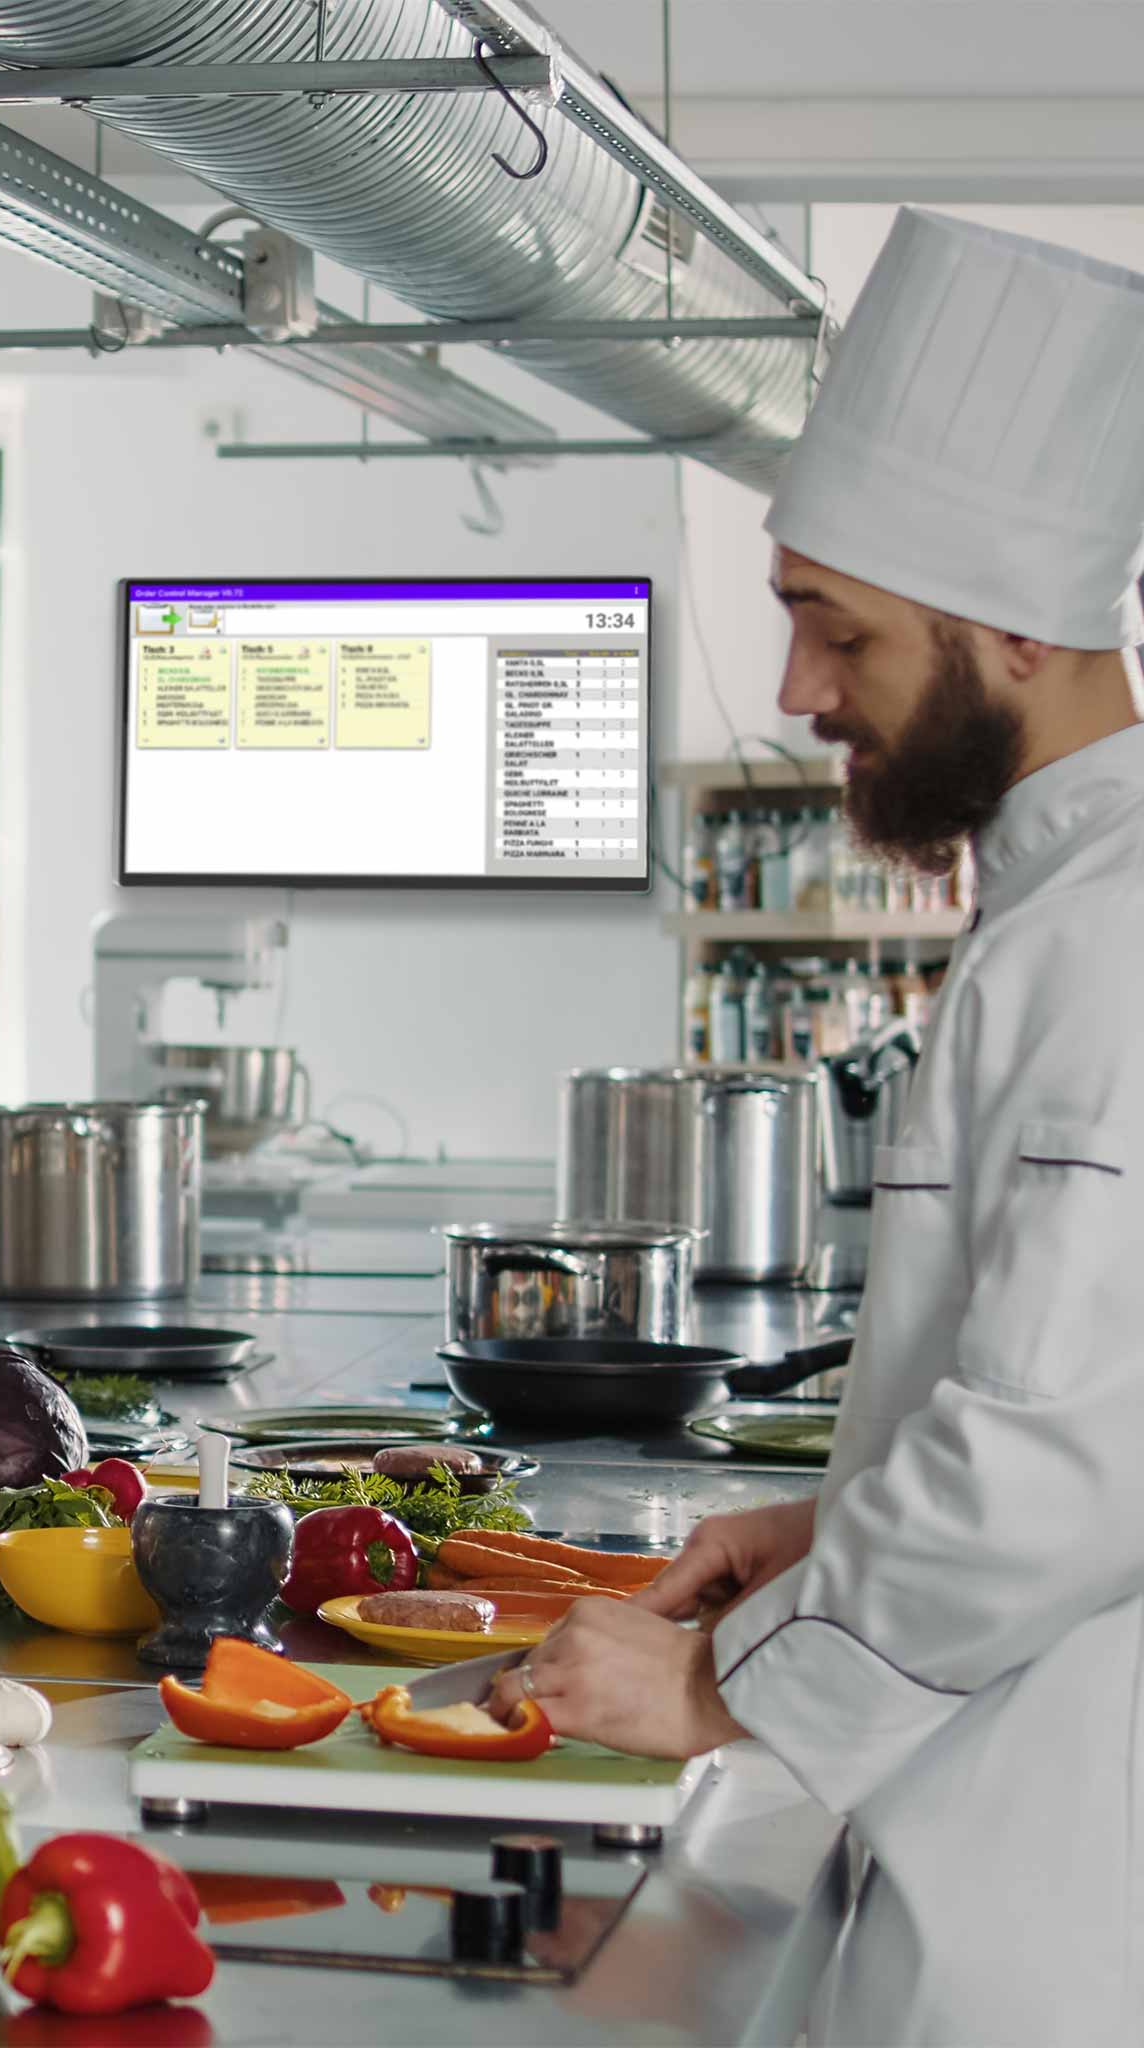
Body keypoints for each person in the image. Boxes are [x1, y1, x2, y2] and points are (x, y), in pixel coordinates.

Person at [490, 209, 1144, 2043]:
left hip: (1054, 1881)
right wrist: (828, 1521)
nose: (794, 696)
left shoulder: (1115, 943)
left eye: (827, 629)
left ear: (1006, 624)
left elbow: (1056, 1471)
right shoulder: (1060, 911)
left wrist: (719, 1686)